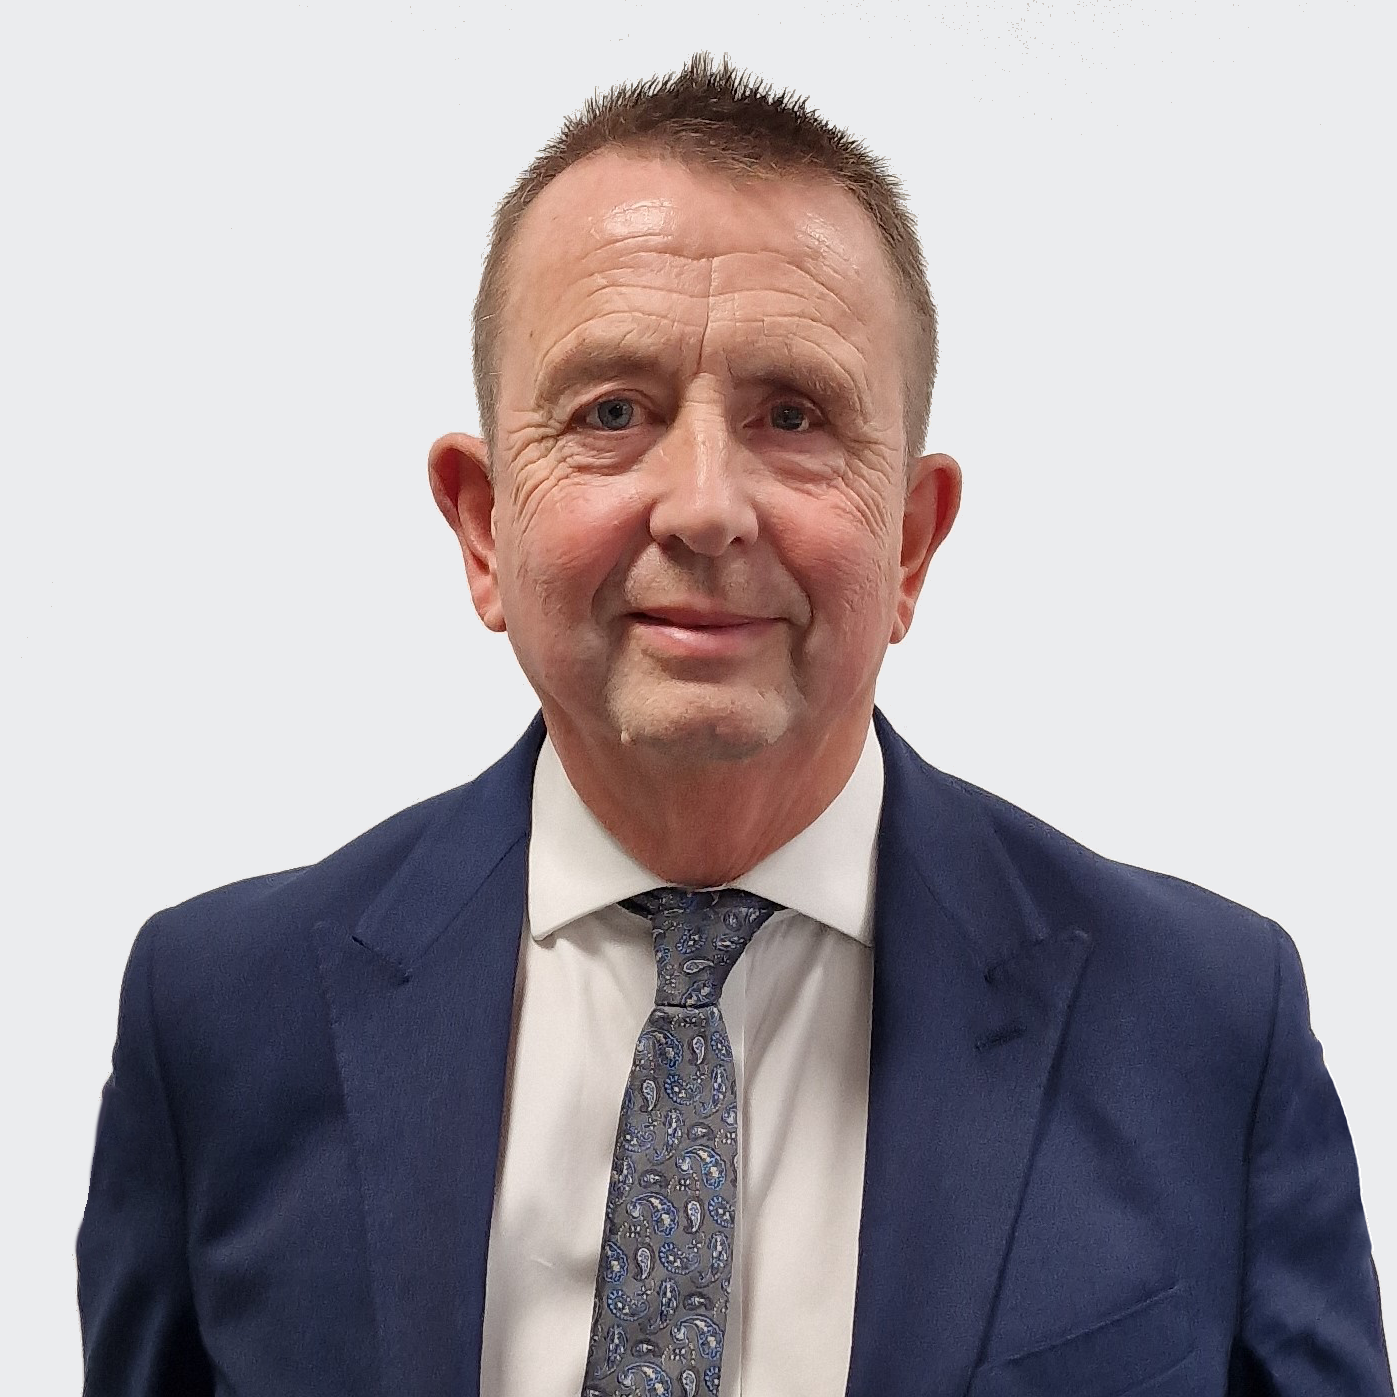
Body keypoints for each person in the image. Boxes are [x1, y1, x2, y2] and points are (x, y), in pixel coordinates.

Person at [77, 53, 1390, 1397]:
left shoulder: (1205, 1026)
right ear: (481, 525)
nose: (704, 505)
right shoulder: (223, 1021)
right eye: (613, 413)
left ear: (912, 543)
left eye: (794, 415)